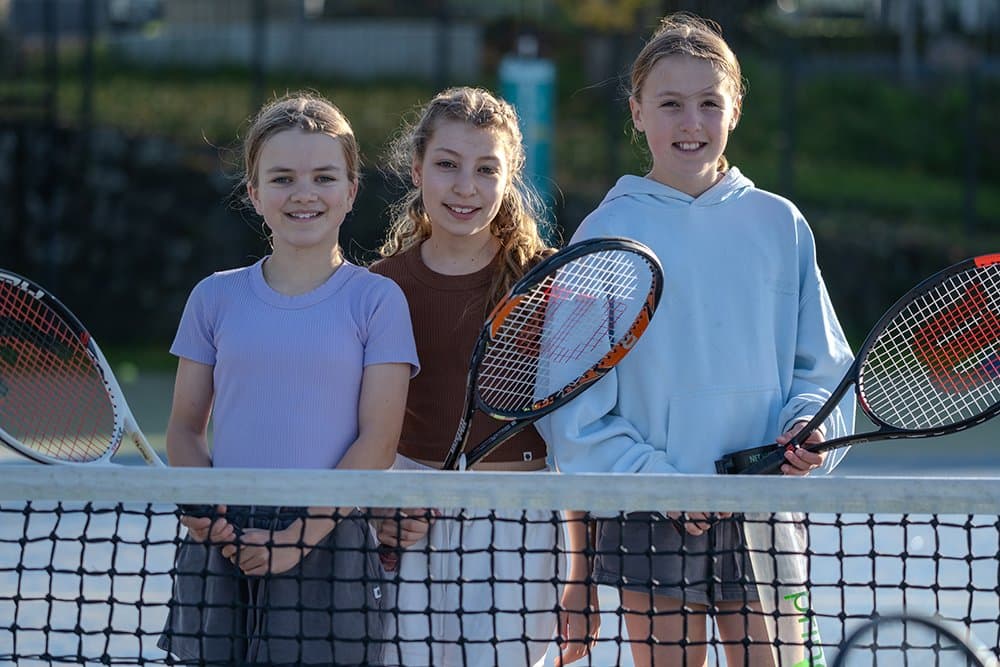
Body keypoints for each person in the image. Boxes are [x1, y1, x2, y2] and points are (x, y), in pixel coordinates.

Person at [536, 13, 856, 667]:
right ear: (636, 110)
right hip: (649, 513)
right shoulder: (604, 232)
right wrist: (660, 484)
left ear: (735, 109)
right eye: (671, 103)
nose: (691, 123)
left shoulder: (780, 225)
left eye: (709, 102)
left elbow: (820, 365)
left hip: (760, 506)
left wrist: (808, 427)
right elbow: (570, 405)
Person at [156, 91, 418, 665]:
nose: (304, 193)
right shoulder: (214, 297)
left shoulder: (378, 301)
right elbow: (183, 429)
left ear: (351, 191)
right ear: (254, 192)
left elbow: (377, 443)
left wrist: (299, 534)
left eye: (324, 177)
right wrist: (204, 512)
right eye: (282, 178)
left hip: (330, 533)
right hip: (223, 537)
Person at [369, 86, 597, 667]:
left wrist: (582, 574)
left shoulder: (548, 281)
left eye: (486, 169)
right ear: (417, 169)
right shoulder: (377, 286)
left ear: (510, 176)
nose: (465, 186)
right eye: (447, 165)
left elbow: (574, 440)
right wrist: (377, 506)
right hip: (408, 515)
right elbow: (359, 425)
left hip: (519, 521)